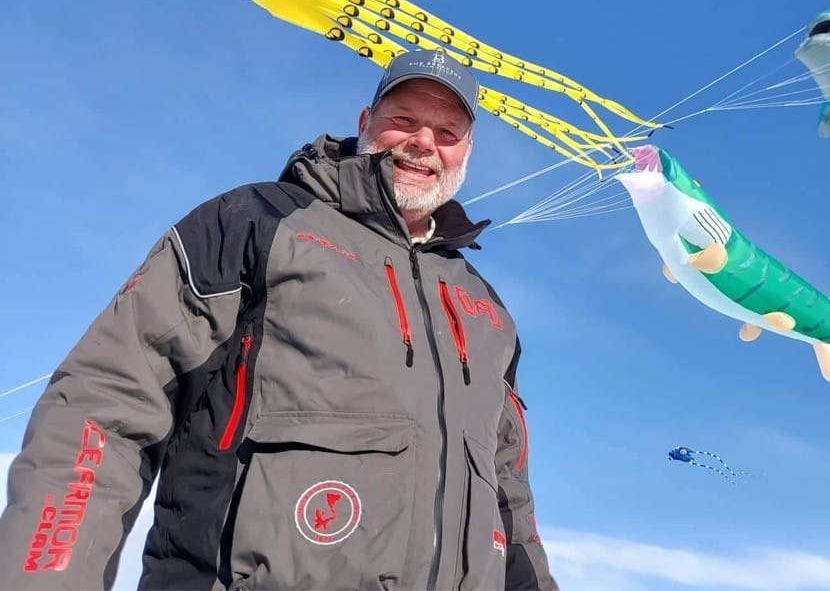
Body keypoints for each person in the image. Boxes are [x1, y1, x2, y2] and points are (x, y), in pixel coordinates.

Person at [0, 48, 557, 590]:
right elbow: (107, 404)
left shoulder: (485, 308)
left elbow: (511, 501)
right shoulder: (255, 223)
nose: (422, 142)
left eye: (447, 132)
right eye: (403, 119)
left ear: (466, 152)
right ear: (366, 122)